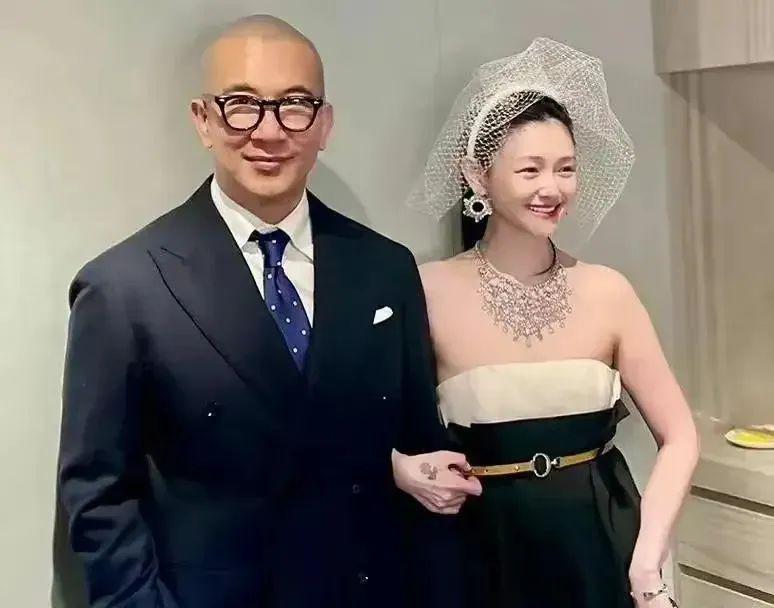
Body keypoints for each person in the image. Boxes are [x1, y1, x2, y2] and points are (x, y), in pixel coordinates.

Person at [58, 15, 479, 608]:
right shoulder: (124, 288)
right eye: (242, 105)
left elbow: (418, 447)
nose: (269, 130)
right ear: (203, 120)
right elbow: (98, 497)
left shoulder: (384, 268)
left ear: (324, 124)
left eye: (295, 105)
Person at [408, 38, 698, 608]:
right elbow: (367, 429)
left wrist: (647, 564)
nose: (552, 188)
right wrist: (404, 470)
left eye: (566, 169)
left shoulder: (608, 291)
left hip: (602, 547)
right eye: (530, 169)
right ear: (477, 175)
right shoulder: (427, 290)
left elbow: (681, 436)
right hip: (481, 555)